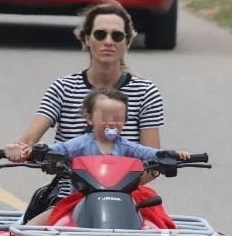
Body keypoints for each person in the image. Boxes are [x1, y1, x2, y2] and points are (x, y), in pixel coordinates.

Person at [3, 0, 165, 193]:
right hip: (69, 196)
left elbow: (153, 163)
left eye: (117, 36)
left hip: (127, 198)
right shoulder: (63, 88)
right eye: (100, 34)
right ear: (87, 38)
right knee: (35, 224)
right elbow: (28, 140)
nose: (108, 42)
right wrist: (15, 149)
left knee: (159, 224)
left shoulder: (146, 92)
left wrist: (114, 188)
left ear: (127, 42)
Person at [23, 88, 189, 227]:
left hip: (126, 199)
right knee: (43, 221)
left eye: (118, 119)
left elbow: (151, 153)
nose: (112, 123)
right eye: (105, 117)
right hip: (82, 198)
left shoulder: (127, 147)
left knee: (159, 217)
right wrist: (34, 152)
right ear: (89, 118)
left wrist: (173, 155)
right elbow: (59, 149)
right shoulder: (79, 144)